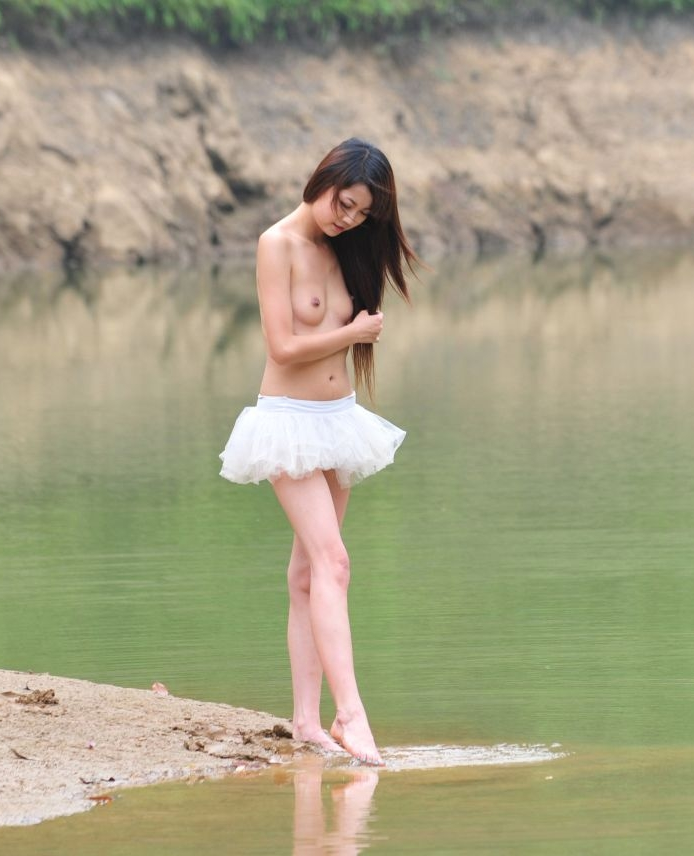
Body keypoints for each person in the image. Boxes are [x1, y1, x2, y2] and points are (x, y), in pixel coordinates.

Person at [218, 137, 420, 767]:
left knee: (310, 572)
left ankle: (306, 720)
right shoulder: (276, 244)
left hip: (339, 420)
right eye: (344, 203)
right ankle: (350, 714)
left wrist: (354, 329)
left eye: (362, 213)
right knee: (334, 562)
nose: (348, 218)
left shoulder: (346, 248)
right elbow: (281, 347)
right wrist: (353, 332)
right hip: (289, 423)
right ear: (323, 180)